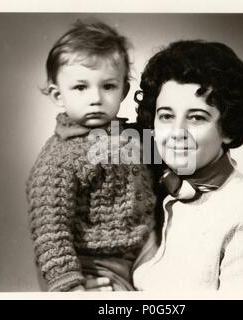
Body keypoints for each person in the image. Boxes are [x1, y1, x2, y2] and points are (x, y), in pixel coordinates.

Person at [130, 40, 243, 290]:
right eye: (166, 116)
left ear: (226, 128)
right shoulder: (153, 189)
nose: (176, 132)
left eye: (196, 117)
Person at [25, 20, 156, 292]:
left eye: (108, 86)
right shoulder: (59, 159)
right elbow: (50, 231)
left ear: (124, 91)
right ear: (57, 95)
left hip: (145, 249)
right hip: (97, 262)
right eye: (81, 87)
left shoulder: (132, 136)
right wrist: (70, 287)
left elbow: (160, 169)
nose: (95, 98)